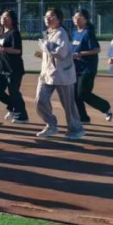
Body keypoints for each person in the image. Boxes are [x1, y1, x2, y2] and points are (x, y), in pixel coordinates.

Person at [33, 8, 84, 140]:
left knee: (68, 104)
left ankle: (76, 129)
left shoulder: (61, 34)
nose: (48, 19)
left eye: (51, 17)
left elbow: (61, 53)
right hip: (47, 73)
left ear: (59, 19)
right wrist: (43, 53)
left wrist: (45, 46)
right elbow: (50, 51)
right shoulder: (48, 33)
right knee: (40, 100)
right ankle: (51, 125)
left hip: (62, 74)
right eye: (46, 16)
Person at [71, 9, 113, 124]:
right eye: (75, 17)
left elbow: (96, 49)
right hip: (75, 68)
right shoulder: (74, 33)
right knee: (74, 95)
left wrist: (79, 54)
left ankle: (105, 107)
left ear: (86, 19)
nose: (76, 19)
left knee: (83, 93)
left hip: (87, 69)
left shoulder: (88, 33)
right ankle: (83, 118)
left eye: (79, 17)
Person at [0, 9, 29, 123]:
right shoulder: (1, 31)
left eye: (6, 17)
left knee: (14, 92)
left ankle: (22, 115)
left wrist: (5, 49)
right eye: (2, 16)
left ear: (12, 19)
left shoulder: (14, 33)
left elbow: (18, 50)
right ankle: (13, 107)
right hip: (1, 67)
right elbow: (0, 48)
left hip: (13, 68)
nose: (3, 18)